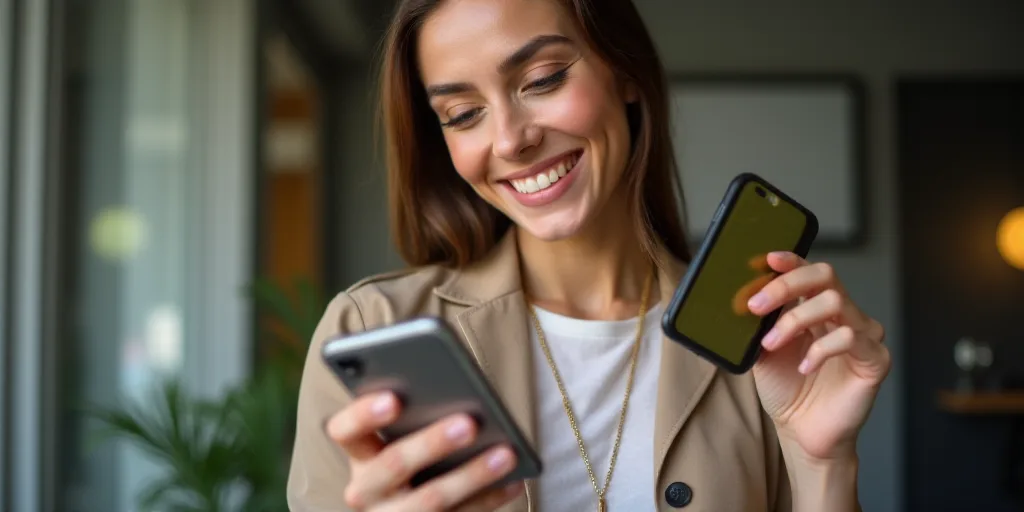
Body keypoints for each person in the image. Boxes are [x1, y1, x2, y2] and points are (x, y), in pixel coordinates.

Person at [286, 0, 891, 510]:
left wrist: (823, 463)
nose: (510, 139)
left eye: (544, 79)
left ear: (623, 71)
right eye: (463, 114)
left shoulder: (761, 344)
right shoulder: (374, 328)